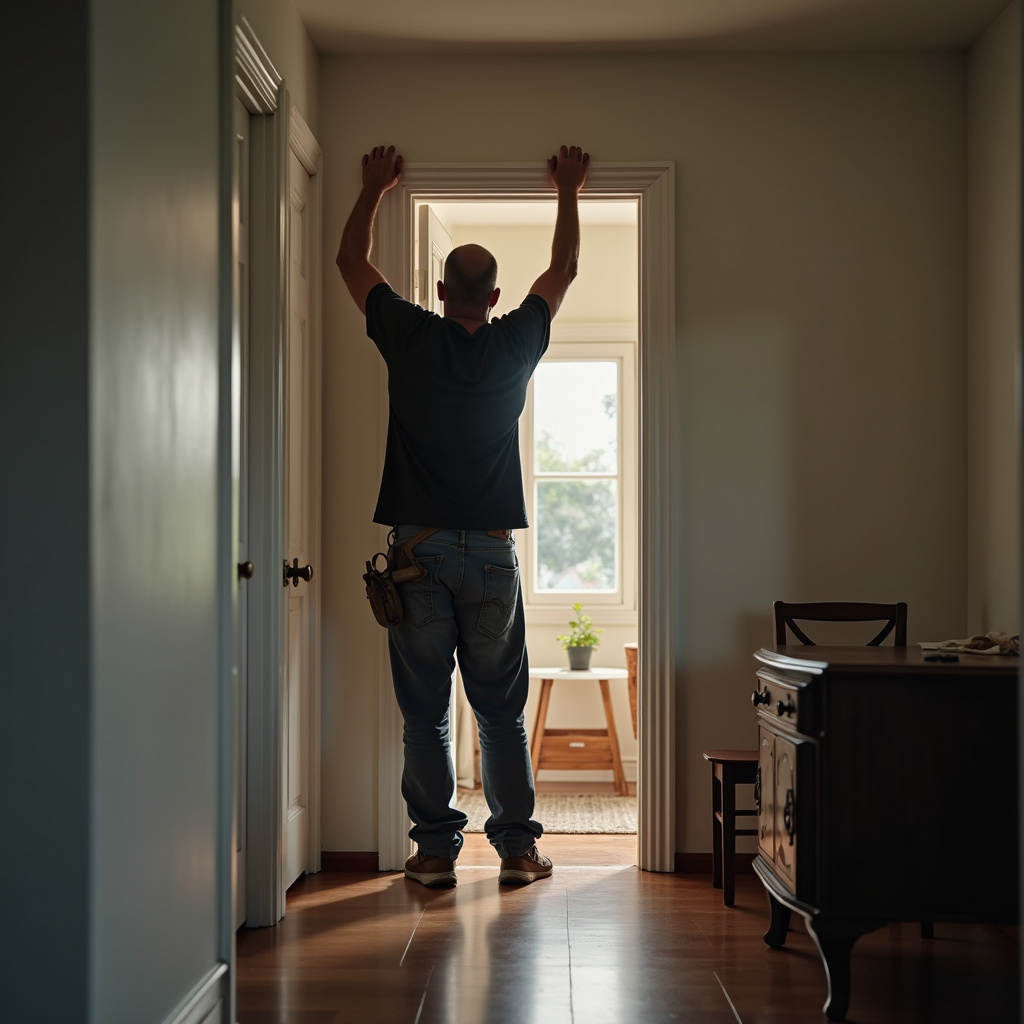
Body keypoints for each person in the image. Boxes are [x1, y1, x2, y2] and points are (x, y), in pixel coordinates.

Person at [337, 143, 590, 887]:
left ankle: (433, 854)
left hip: (416, 553)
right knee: (500, 713)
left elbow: (351, 262)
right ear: (495, 294)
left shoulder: (411, 334)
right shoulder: (517, 340)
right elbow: (564, 269)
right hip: (489, 553)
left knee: (425, 713)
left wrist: (374, 187)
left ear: (443, 290)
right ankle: (516, 853)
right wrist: (568, 188)